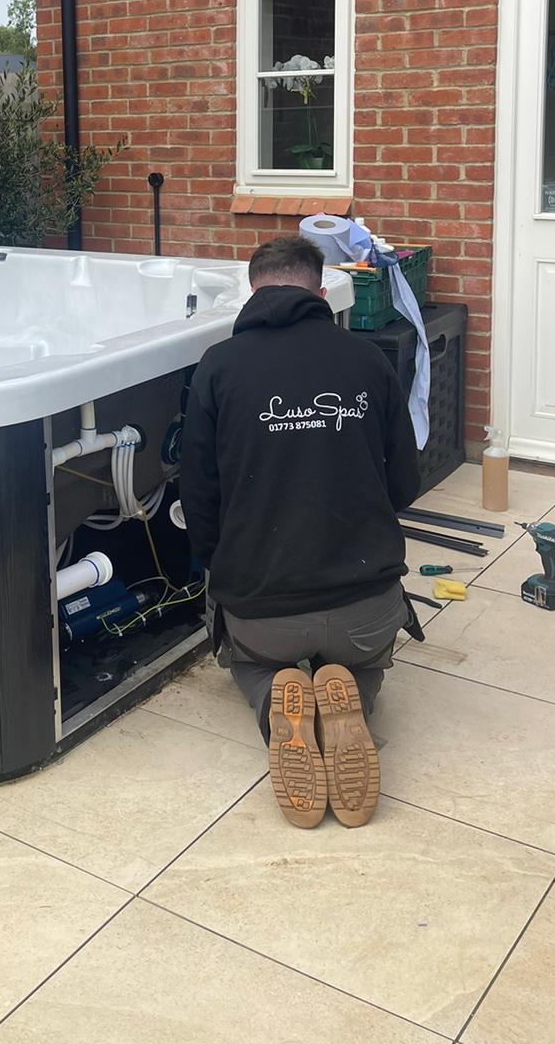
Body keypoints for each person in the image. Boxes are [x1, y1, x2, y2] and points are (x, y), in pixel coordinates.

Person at [180, 234, 421, 829]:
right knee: (364, 661)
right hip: (365, 606)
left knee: (254, 662)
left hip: (266, 613)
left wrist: (224, 569)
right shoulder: (367, 359)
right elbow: (405, 485)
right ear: (319, 289)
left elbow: (198, 497)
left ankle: (276, 702)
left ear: (252, 288)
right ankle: (352, 703)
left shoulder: (218, 367)